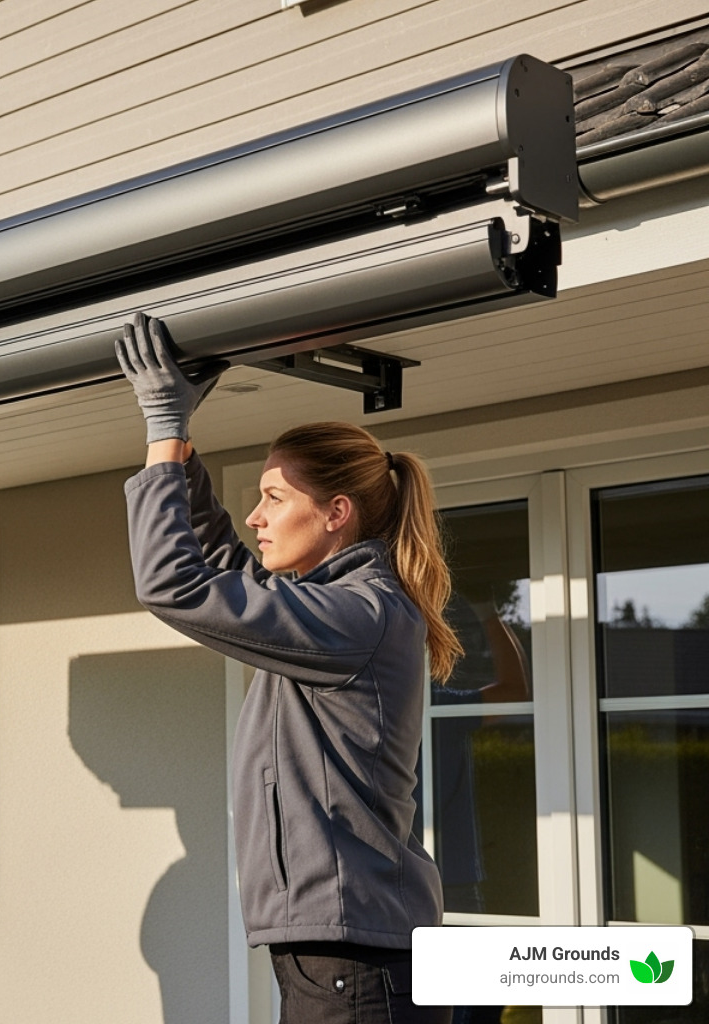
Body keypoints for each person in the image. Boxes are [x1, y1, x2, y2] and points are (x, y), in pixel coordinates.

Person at [116, 312, 460, 1024]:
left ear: (336, 513)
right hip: (341, 955)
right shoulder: (333, 607)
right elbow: (220, 564)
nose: (257, 514)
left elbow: (175, 585)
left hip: (355, 964)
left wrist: (161, 423)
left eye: (274, 498)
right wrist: (180, 446)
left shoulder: (357, 617)